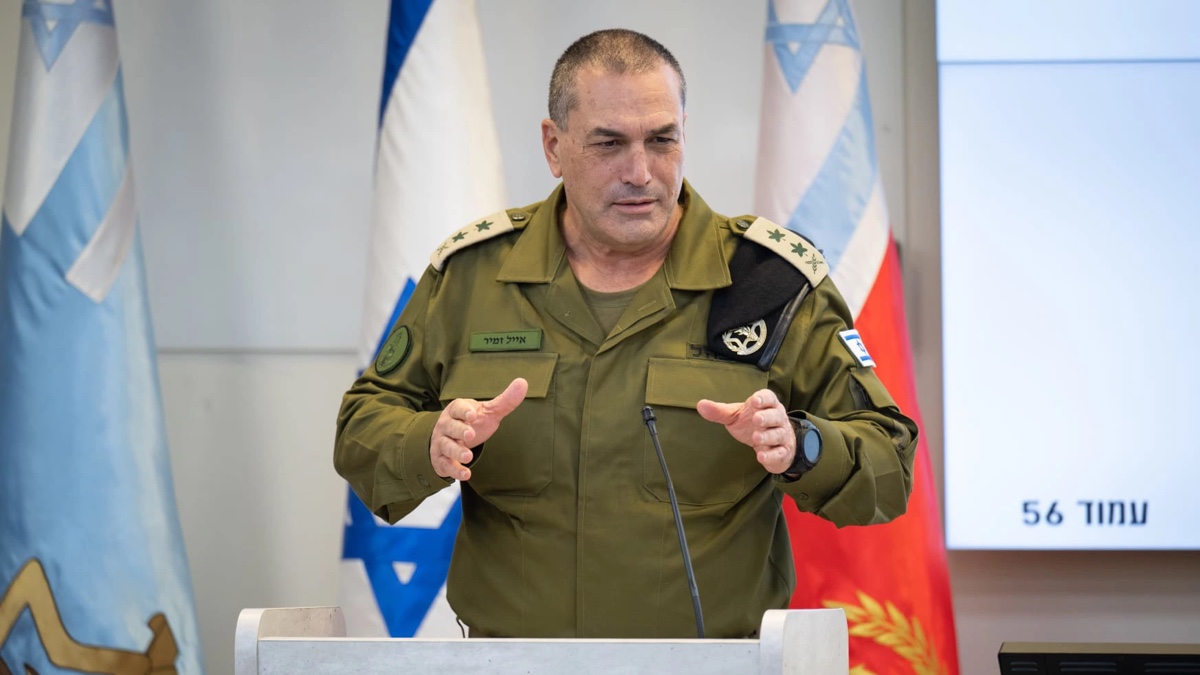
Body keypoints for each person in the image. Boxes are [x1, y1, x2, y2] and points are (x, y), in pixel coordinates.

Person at [335, 28, 918, 640]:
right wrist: (430, 439)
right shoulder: (472, 279)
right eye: (609, 144)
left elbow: (890, 466)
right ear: (554, 147)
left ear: (683, 135)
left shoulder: (768, 286)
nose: (640, 172)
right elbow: (361, 430)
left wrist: (802, 446)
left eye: (661, 140)